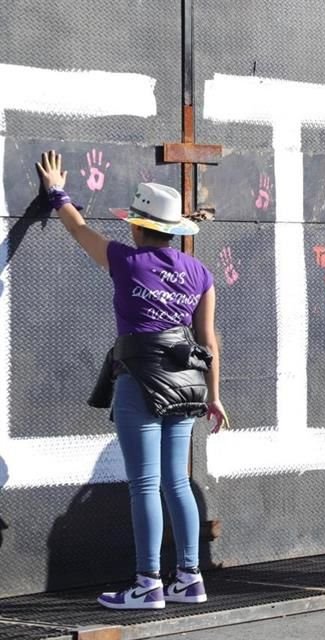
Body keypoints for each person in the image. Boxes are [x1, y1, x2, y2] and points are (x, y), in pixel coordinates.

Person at [36, 151, 228, 609]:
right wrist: (214, 397)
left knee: (144, 484)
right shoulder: (199, 272)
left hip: (140, 379)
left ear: (139, 227)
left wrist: (57, 191)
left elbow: (78, 229)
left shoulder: (126, 261)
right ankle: (189, 578)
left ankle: (147, 584)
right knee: (176, 483)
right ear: (174, 231)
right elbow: (209, 339)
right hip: (187, 384)